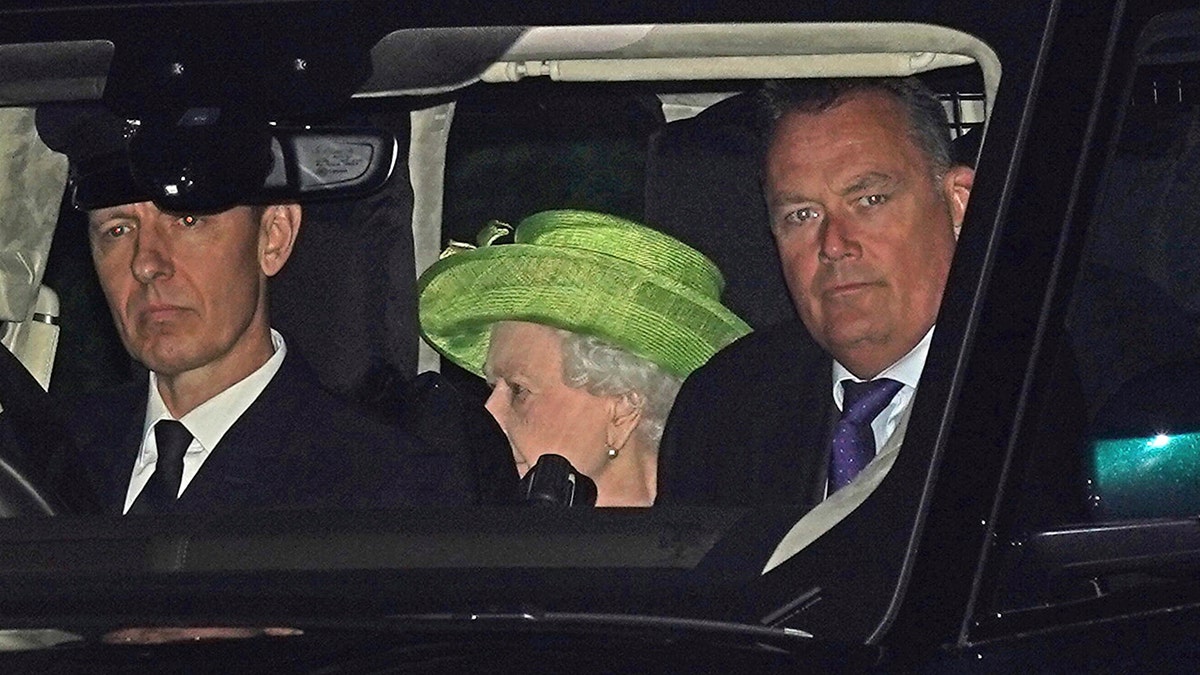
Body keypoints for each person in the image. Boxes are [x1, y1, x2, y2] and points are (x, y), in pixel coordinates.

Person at [37, 104, 469, 514]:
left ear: (273, 237)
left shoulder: (387, 486)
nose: (147, 263)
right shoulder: (42, 459)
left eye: (189, 221)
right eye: (118, 230)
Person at [656, 77, 974, 510]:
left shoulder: (1036, 383)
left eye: (870, 200)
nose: (834, 244)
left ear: (958, 203)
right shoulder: (726, 408)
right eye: (802, 215)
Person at [418, 210, 750, 506]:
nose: (489, 413)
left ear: (623, 409)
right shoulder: (473, 543)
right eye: (492, 387)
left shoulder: (726, 547)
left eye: (518, 390)